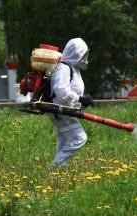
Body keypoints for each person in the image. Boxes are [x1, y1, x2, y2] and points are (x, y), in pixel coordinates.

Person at [49, 38, 94, 168]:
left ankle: (59, 170)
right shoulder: (64, 68)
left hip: (64, 109)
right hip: (59, 110)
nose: (85, 58)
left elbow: (71, 92)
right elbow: (61, 91)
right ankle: (54, 167)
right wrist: (80, 99)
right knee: (79, 139)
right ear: (76, 53)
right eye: (83, 54)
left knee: (64, 141)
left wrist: (82, 102)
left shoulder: (73, 69)